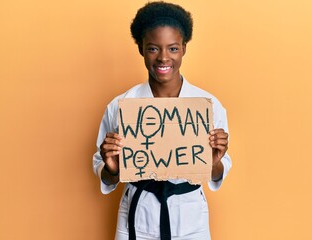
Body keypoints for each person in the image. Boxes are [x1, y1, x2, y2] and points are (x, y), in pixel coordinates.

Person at [93, 2, 232, 239]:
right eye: (153, 49)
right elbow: (106, 174)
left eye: (173, 49)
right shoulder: (121, 105)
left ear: (184, 48)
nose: (164, 58)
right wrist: (112, 169)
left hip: (190, 216)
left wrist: (213, 162)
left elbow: (217, 172)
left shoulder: (207, 105)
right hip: (137, 215)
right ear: (141, 48)